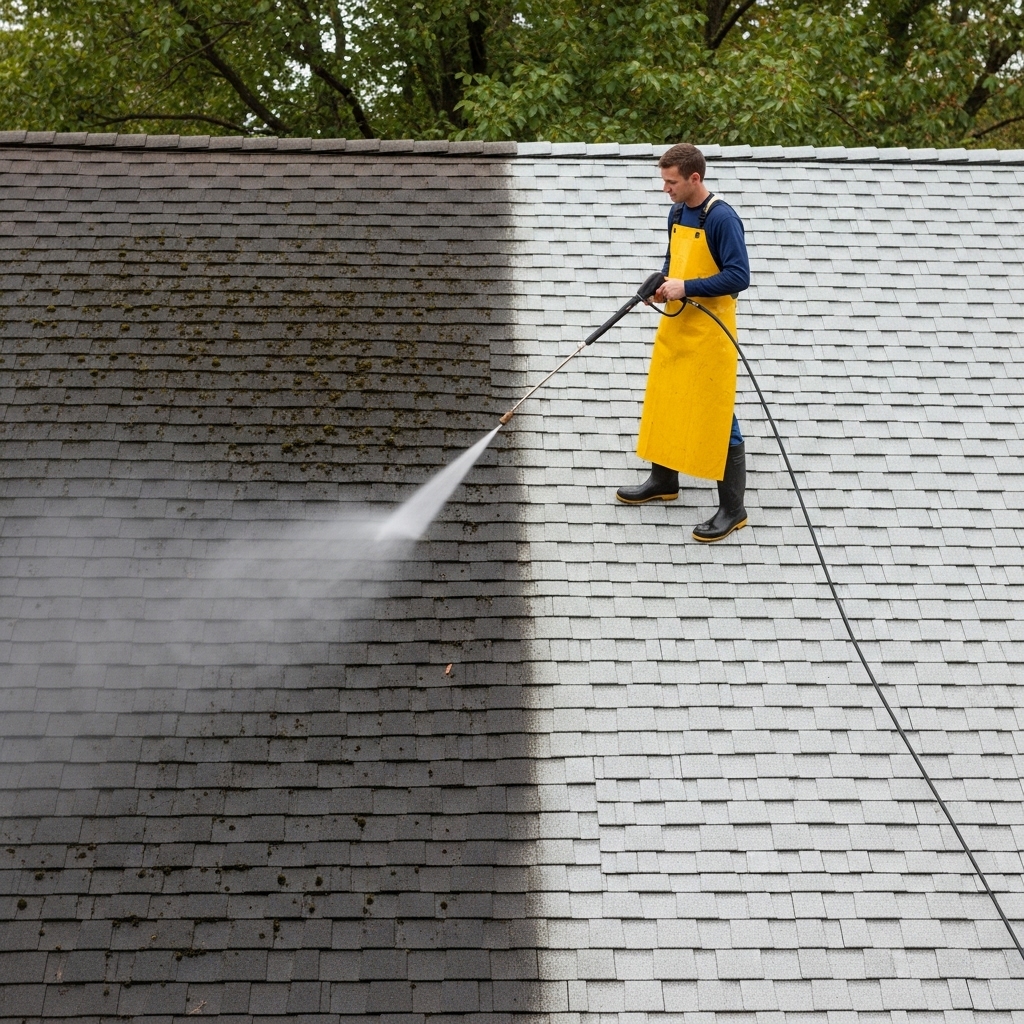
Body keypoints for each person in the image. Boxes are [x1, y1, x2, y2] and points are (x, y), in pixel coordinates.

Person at [616, 143, 751, 542]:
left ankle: (733, 509)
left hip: (711, 332)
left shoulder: (722, 218)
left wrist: (685, 286)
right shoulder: (677, 212)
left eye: (671, 182)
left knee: (717, 413)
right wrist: (661, 284)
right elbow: (673, 261)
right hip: (679, 324)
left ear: (695, 178)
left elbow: (739, 276)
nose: (665, 189)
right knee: (666, 396)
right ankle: (664, 480)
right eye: (663, 181)